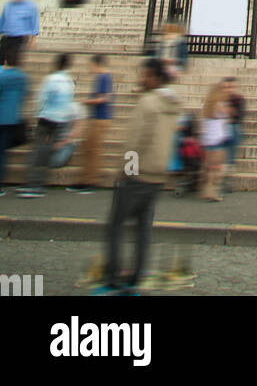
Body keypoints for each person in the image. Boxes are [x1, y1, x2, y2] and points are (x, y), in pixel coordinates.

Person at [93, 57, 179, 295]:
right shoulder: (170, 103)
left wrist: (125, 171)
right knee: (142, 228)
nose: (141, 78)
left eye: (144, 74)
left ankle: (113, 279)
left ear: (153, 77)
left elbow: (136, 141)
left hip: (138, 174)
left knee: (115, 226)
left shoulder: (148, 103)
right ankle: (136, 278)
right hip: (157, 175)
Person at [19, 52, 77, 197]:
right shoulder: (69, 81)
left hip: (45, 118)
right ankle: (39, 184)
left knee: (38, 152)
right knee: (46, 152)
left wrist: (36, 113)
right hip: (60, 121)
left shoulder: (51, 79)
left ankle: (33, 185)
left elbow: (41, 98)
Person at [68, 54, 113, 193]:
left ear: (97, 64)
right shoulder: (102, 77)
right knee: (87, 148)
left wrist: (87, 101)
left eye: (92, 65)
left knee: (93, 150)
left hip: (101, 118)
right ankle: (84, 179)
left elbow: (104, 98)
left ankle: (91, 181)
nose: (90, 68)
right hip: (96, 117)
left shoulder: (104, 77)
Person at [0, 48, 29, 194]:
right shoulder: (22, 77)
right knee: (3, 152)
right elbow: (25, 94)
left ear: (5, 61)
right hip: (12, 118)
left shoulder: (2, 76)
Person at [199, 80, 230, 201]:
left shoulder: (207, 105)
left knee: (208, 167)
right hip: (218, 138)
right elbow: (226, 115)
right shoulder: (220, 104)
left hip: (207, 138)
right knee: (216, 167)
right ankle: (212, 192)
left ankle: (205, 190)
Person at [0, 0, 40, 64]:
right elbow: (2, 20)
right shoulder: (8, 5)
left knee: (13, 59)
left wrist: (33, 40)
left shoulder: (30, 6)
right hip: (7, 36)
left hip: (20, 37)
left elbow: (34, 23)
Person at [223, 77, 246, 194]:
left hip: (233, 127)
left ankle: (227, 179)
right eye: (226, 87)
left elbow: (238, 116)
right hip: (223, 128)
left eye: (231, 87)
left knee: (230, 156)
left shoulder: (239, 99)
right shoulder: (220, 99)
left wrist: (229, 111)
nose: (228, 90)